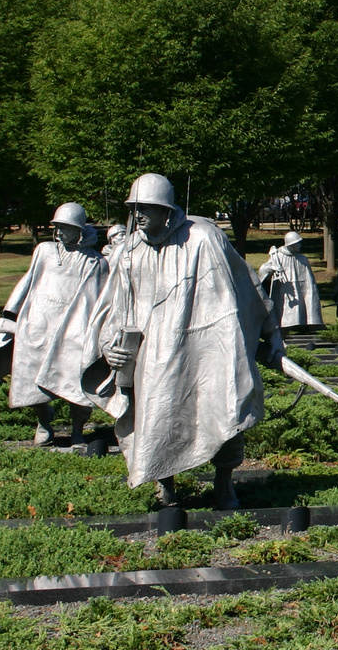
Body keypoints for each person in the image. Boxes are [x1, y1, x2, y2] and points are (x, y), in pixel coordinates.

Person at [82, 173, 284, 509]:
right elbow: (112, 306)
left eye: (147, 207)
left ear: (167, 209)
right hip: (153, 356)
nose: (139, 215)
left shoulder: (203, 238)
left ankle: (224, 483)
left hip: (207, 347)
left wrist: (271, 334)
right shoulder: (129, 250)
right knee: (156, 416)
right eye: (135, 209)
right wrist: (109, 346)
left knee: (224, 409)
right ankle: (167, 486)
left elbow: (245, 284)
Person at [0, 203, 108, 446]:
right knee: (30, 381)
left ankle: (77, 430)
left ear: (80, 229)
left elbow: (102, 300)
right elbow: (28, 280)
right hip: (38, 326)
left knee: (77, 382)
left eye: (66, 227)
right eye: (57, 227)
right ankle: (43, 422)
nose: (60, 232)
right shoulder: (44, 250)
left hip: (75, 331)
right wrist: (10, 315)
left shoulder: (97, 262)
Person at [258, 230, 323, 329]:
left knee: (301, 311)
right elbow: (263, 271)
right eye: (298, 243)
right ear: (291, 245)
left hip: (301, 292)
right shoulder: (277, 257)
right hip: (284, 293)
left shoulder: (303, 259)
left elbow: (310, 284)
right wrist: (270, 269)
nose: (300, 245)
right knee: (285, 315)